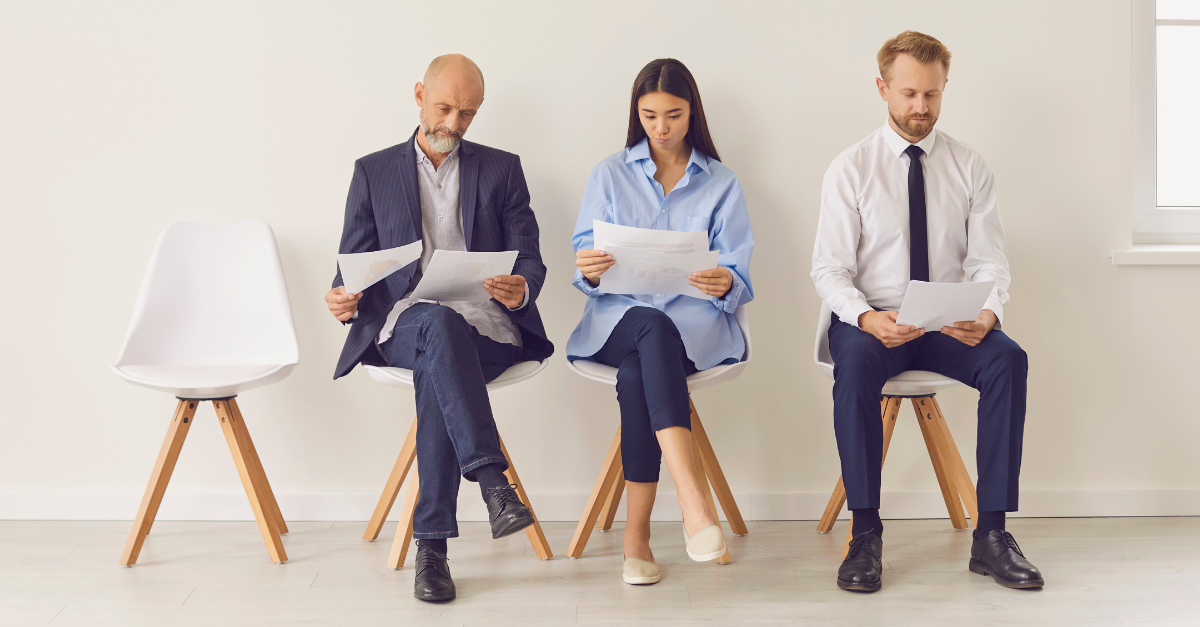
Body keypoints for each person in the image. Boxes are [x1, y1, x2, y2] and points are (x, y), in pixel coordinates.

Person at [811, 31, 1042, 592]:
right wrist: (865, 317)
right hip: (874, 320)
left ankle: (991, 535)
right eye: (909, 93)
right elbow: (829, 270)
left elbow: (990, 262)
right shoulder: (851, 168)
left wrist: (987, 312)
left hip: (943, 319)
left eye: (932, 95)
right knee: (858, 367)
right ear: (882, 89)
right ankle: (864, 533)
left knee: (1008, 361)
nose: (921, 108)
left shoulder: (968, 165)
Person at [325, 54, 554, 602]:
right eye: (445, 107)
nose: (453, 123)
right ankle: (493, 484)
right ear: (419, 94)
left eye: (468, 114)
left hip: (486, 327)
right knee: (434, 326)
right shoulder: (373, 171)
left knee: (441, 353)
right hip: (404, 324)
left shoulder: (502, 169)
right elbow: (350, 268)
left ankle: (433, 547)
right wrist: (342, 297)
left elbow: (531, 259)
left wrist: (521, 286)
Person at [569, 58, 754, 586]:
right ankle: (693, 501)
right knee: (648, 322)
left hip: (693, 332)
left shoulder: (722, 183)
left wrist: (726, 283)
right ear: (637, 114)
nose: (661, 127)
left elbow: (738, 273)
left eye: (673, 114)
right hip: (616, 324)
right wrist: (590, 269)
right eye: (649, 116)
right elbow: (585, 265)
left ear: (692, 111)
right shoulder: (608, 174)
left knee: (637, 376)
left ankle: (637, 539)